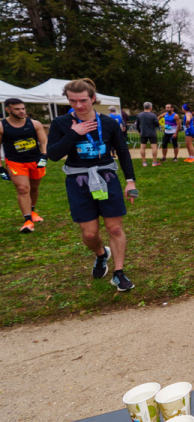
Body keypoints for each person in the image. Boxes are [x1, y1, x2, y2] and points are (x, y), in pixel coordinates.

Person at [47, 79, 137, 291]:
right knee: (89, 234)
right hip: (78, 181)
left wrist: (130, 181)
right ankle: (101, 254)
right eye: (73, 101)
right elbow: (52, 155)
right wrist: (74, 133)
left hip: (107, 177)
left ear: (93, 98)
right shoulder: (60, 123)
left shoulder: (108, 123)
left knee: (114, 227)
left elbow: (123, 152)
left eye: (83, 100)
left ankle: (118, 273)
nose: (78, 105)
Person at [1, 98, 48, 232]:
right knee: (23, 189)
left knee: (34, 187)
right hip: (15, 162)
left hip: (35, 161)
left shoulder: (34, 124)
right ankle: (27, 220)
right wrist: (0, 168)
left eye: (23, 108)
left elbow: (44, 142)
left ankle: (32, 212)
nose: (21, 111)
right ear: (8, 110)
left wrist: (44, 156)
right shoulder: (2, 126)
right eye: (17, 109)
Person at [135, 102, 160, 167]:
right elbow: (157, 125)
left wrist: (139, 131)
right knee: (154, 147)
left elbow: (137, 125)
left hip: (143, 132)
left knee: (142, 147)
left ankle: (144, 162)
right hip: (152, 133)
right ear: (150, 107)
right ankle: (154, 162)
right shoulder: (153, 115)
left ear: (144, 107)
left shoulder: (139, 115)